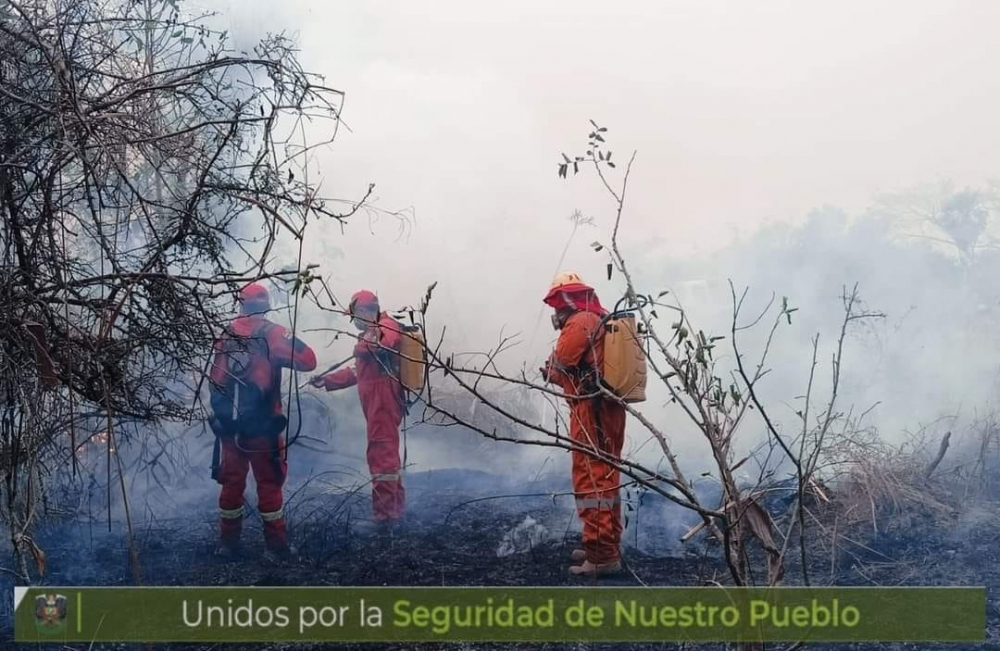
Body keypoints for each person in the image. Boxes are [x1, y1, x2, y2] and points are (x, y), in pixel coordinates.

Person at [208, 282, 317, 558]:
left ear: (240, 304)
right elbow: (309, 361)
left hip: (230, 429)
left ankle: (228, 543)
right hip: (263, 430)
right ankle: (276, 546)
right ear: (266, 306)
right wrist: (290, 340)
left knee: (232, 484)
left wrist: (223, 424)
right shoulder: (275, 334)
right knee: (269, 483)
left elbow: (216, 382)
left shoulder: (225, 336)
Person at [541, 272, 627, 576]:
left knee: (592, 480)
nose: (555, 312)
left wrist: (551, 369)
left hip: (591, 412)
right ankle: (604, 546)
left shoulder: (581, 322)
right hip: (604, 410)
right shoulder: (597, 317)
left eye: (556, 303)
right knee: (606, 476)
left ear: (565, 300)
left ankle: (602, 557)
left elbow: (559, 365)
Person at [310, 290, 406, 525]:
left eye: (353, 314)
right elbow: (358, 371)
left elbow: (384, 343)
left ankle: (385, 518)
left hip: (383, 400)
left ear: (363, 311)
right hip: (377, 401)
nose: (353, 320)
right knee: (386, 456)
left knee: (382, 455)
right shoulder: (370, 332)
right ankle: (396, 511)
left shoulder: (387, 324)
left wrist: (362, 345)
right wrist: (328, 380)